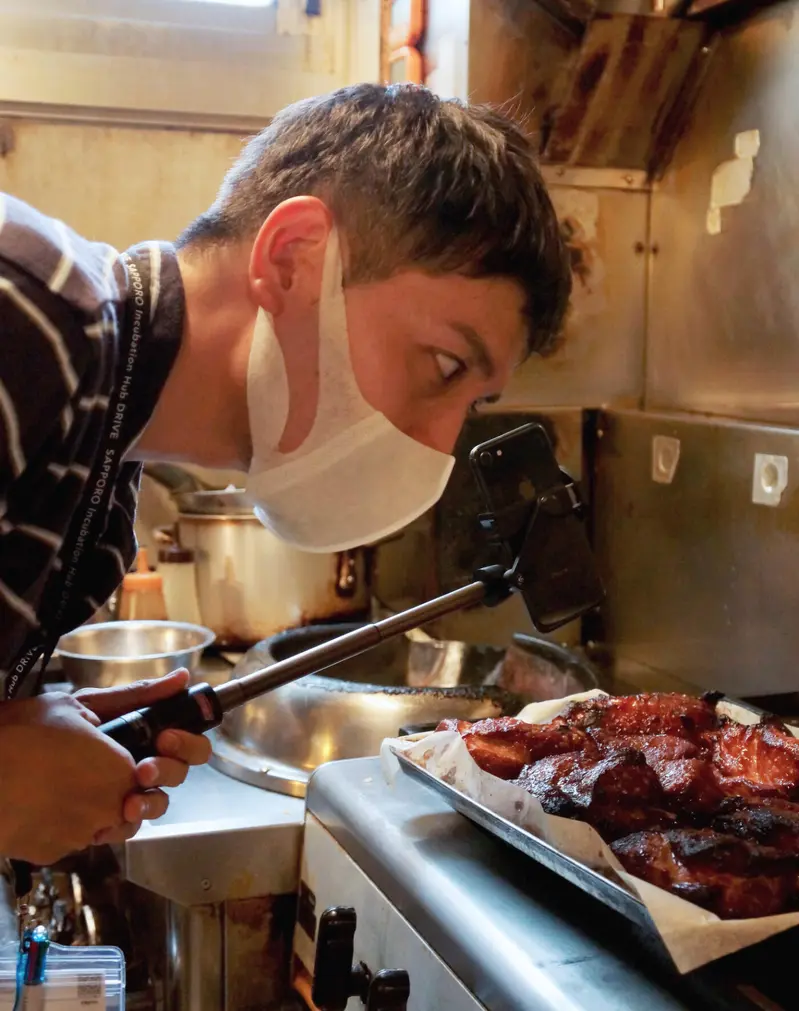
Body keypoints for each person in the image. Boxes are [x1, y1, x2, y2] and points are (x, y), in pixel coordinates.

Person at [0, 83, 571, 867]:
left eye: (471, 405)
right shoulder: (25, 320)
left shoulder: (101, 461)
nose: (438, 443)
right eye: (442, 364)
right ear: (293, 258)